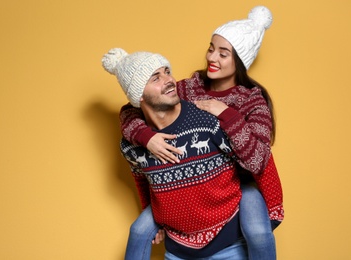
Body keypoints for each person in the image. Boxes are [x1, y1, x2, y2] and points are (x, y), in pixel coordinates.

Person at [119, 5, 283, 260]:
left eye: (223, 53)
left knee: (259, 233)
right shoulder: (188, 88)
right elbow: (133, 109)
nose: (211, 58)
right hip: (183, 186)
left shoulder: (252, 101)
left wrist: (226, 113)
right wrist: (146, 137)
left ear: (239, 60)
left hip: (239, 181)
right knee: (140, 229)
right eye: (210, 48)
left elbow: (259, 160)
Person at [102, 47, 253, 259]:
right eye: (155, 77)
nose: (168, 80)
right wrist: (155, 222)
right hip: (178, 252)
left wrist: (272, 210)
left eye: (167, 71)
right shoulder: (131, 145)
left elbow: (254, 160)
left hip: (229, 247)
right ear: (139, 95)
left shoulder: (207, 120)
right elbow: (143, 182)